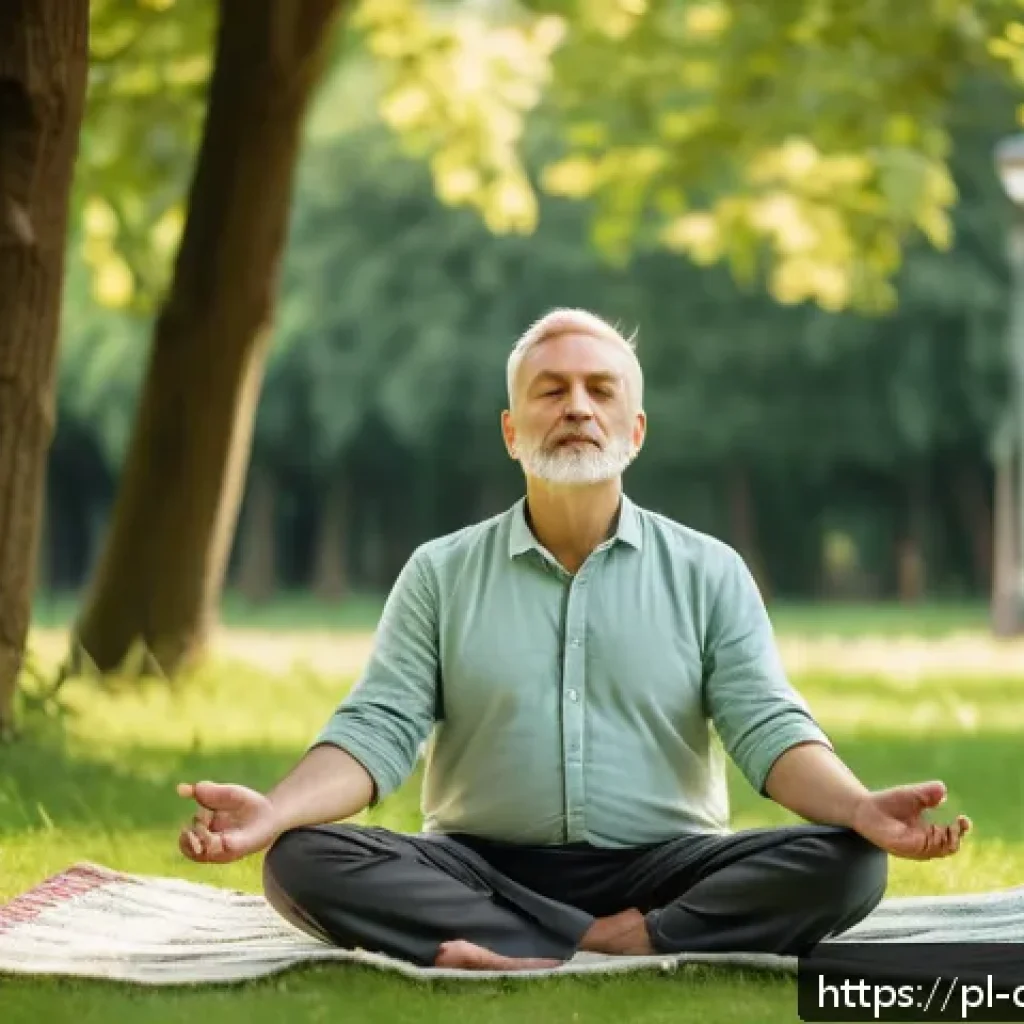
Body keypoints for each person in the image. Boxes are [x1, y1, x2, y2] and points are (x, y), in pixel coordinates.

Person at [177, 308, 971, 972]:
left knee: (851, 861)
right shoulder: (439, 573)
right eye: (551, 391)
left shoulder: (710, 571)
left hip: (667, 865)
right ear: (510, 429)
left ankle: (572, 941)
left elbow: (767, 727)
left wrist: (860, 806)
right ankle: (601, 942)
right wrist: (273, 812)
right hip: (480, 867)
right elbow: (377, 730)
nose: (578, 408)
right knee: (301, 859)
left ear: (636, 427)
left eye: (600, 390)